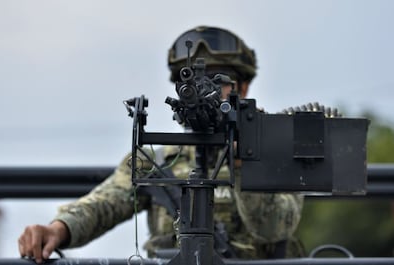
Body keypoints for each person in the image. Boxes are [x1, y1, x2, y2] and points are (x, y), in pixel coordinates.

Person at [18, 26, 305, 263]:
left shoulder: (274, 155)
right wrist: (57, 229)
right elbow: (103, 205)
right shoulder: (156, 161)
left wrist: (243, 161)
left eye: (218, 79)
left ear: (243, 88)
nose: (206, 89)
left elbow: (273, 228)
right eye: (195, 80)